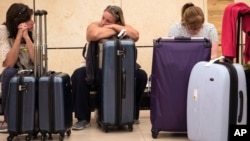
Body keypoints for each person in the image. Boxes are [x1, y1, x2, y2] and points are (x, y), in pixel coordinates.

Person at [71, 5, 148, 130]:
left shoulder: (124, 27)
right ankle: (83, 118)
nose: (103, 22)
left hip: (117, 71)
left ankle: (131, 114)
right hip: (95, 69)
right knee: (78, 76)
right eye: (103, 18)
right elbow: (94, 35)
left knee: (141, 76)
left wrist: (114, 27)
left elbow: (136, 35)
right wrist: (117, 30)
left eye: (108, 21)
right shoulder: (94, 25)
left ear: (117, 21)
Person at [0, 3, 35, 132]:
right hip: (13, 73)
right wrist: (19, 37)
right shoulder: (3, 31)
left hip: (31, 71)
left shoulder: (34, 29)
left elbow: (37, 61)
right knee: (9, 72)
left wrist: (27, 37)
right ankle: (8, 120)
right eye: (28, 20)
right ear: (18, 24)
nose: (32, 22)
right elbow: (9, 62)